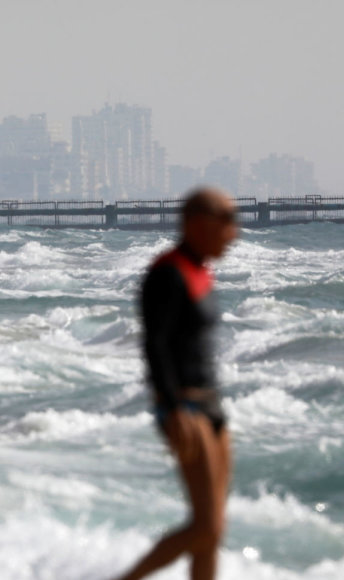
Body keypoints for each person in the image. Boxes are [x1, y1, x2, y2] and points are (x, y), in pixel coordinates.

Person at [114, 187, 238, 580]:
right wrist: (170, 405)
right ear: (198, 224)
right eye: (227, 222)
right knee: (204, 527)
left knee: (213, 532)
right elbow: (155, 345)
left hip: (212, 405)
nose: (234, 233)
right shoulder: (167, 273)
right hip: (185, 407)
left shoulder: (202, 271)